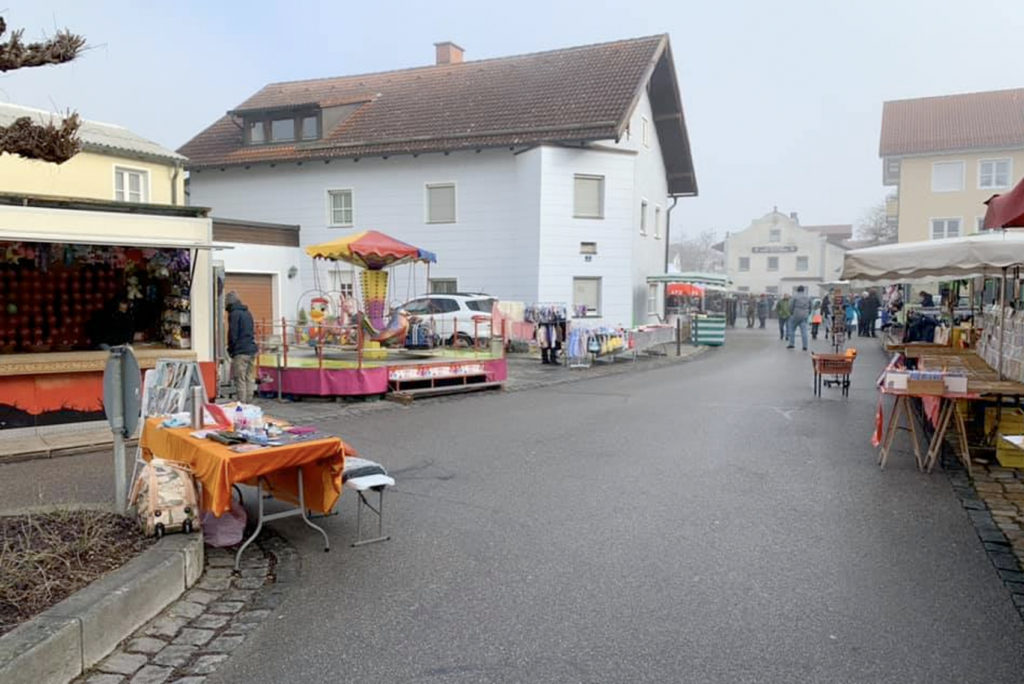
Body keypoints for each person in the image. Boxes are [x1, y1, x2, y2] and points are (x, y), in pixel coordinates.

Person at [225, 291, 258, 403]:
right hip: (251, 349)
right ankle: (249, 401)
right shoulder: (247, 313)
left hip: (240, 351)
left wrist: (230, 349)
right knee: (249, 377)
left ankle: (241, 404)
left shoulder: (234, 314)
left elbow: (233, 334)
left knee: (240, 378)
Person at [787, 285, 811, 351]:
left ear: (797, 290)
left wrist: (791, 313)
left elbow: (790, 305)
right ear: (803, 290)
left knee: (792, 329)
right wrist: (808, 313)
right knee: (804, 331)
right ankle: (805, 346)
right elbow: (810, 306)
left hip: (796, 314)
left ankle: (791, 344)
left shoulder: (795, 296)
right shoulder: (808, 297)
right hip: (805, 314)